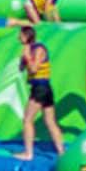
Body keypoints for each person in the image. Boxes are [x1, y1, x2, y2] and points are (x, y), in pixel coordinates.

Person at [16, 24, 65, 160]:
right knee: (50, 121)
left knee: (27, 120)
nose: (18, 38)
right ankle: (61, 152)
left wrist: (27, 57)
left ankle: (28, 153)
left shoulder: (39, 49)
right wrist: (23, 59)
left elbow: (33, 69)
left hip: (41, 88)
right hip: (42, 88)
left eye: (20, 35)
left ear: (26, 36)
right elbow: (21, 69)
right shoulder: (29, 49)